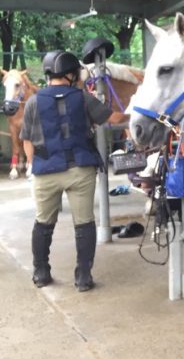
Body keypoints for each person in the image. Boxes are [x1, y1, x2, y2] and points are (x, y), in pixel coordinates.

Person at [23, 50, 120, 292]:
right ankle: (83, 277)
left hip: (45, 171)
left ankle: (41, 272)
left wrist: (34, 166)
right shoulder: (83, 98)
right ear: (69, 74)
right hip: (80, 170)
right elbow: (113, 119)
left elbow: (27, 140)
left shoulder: (33, 101)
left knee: (43, 223)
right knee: (84, 223)